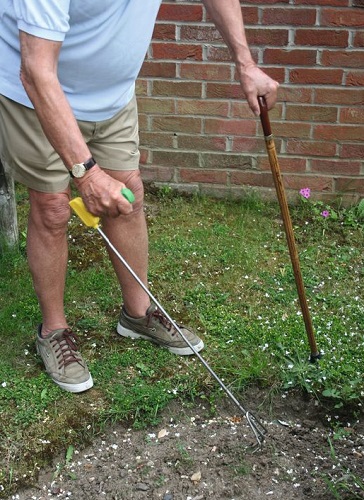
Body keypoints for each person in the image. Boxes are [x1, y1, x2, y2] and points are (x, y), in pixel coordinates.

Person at [0, 0, 279, 393]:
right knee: (52, 207)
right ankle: (54, 331)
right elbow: (36, 70)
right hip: (36, 93)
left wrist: (245, 61)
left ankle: (138, 313)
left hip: (111, 95)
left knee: (128, 193)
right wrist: (88, 172)